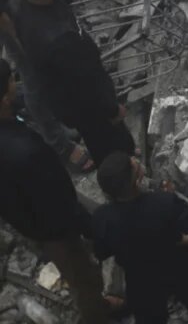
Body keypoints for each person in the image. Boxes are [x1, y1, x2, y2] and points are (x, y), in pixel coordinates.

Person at [0, 58, 111, 324]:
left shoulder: (14, 138)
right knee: (83, 277)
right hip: (53, 227)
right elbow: (59, 202)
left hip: (26, 215)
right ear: (4, 97)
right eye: (11, 81)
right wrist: (85, 225)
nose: (16, 84)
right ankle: (98, 315)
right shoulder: (25, 151)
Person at [8, 0, 133, 164]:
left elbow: (53, 5)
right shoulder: (60, 41)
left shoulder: (27, 6)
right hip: (89, 107)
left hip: (71, 101)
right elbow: (88, 84)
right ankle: (123, 170)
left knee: (103, 137)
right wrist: (112, 110)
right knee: (110, 144)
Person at [91, 153, 188, 324]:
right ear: (137, 180)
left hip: (141, 282)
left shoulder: (102, 219)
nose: (137, 162)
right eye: (136, 166)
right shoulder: (165, 203)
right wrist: (187, 240)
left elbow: (101, 252)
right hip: (182, 269)